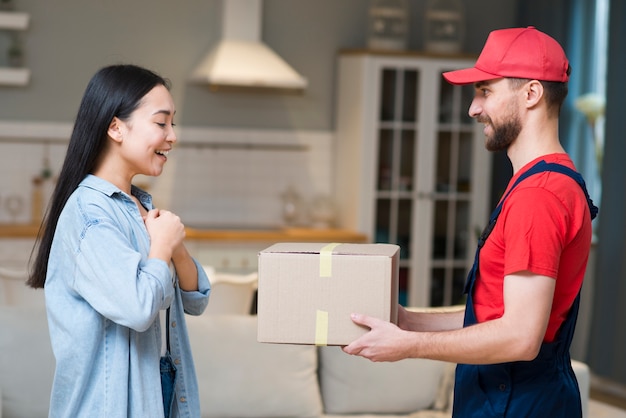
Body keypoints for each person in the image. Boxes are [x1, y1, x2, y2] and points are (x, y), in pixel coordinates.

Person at [343, 26, 598, 417]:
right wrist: (410, 322)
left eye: (486, 91)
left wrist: (407, 346)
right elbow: (495, 313)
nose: (473, 109)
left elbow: (519, 337)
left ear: (531, 93)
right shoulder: (539, 183)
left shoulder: (538, 196)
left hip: (517, 403)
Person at [27, 64, 211, 418]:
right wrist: (161, 245)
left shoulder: (139, 207)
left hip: (155, 394)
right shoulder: (89, 213)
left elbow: (196, 299)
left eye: (173, 123)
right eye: (161, 123)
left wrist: (174, 245)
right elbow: (138, 308)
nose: (172, 136)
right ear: (115, 127)